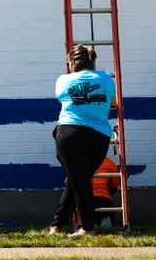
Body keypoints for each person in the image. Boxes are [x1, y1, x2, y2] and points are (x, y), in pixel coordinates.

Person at [48, 45, 115, 238]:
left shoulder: (64, 80)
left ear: (71, 63)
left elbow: (66, 98)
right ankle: (56, 224)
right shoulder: (105, 78)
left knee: (79, 180)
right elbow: (112, 103)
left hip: (70, 131)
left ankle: (87, 227)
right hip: (99, 136)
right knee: (79, 179)